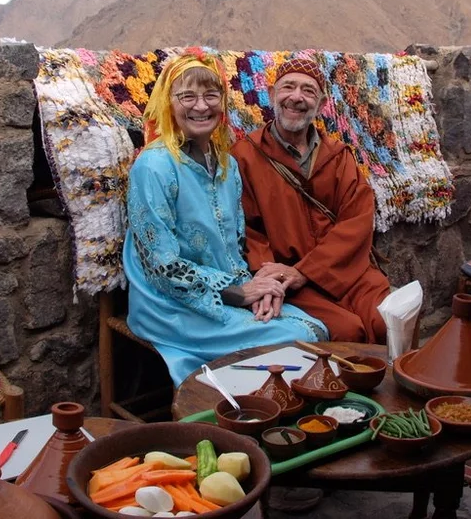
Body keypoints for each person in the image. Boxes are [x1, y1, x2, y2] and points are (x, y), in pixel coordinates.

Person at [123, 52, 328, 386]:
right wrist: (237, 293)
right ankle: (241, 413)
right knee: (295, 339)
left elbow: (233, 247)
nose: (201, 107)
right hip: (169, 304)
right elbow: (161, 266)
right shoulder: (154, 167)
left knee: (314, 329)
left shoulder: (226, 166)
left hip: (226, 288)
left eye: (211, 96)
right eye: (187, 96)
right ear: (168, 103)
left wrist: (258, 289)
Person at [231, 57, 391, 344]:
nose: (296, 97)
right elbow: (246, 228)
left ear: (320, 104)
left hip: (345, 269)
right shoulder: (245, 156)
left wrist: (307, 271)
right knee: (347, 331)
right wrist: (269, 278)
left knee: (387, 320)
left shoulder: (338, 156)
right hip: (287, 279)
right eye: (288, 87)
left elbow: (358, 219)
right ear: (271, 95)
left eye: (308, 91)